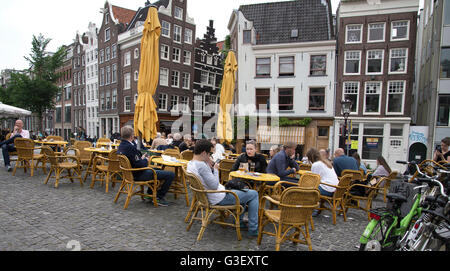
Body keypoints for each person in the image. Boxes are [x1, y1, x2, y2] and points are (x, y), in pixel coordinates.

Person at [186, 139, 259, 237]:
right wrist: (215, 170)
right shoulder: (201, 166)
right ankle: (253, 229)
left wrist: (208, 165)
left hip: (211, 196)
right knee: (254, 194)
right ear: (204, 152)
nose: (210, 156)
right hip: (220, 198)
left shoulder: (191, 163)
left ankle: (241, 222)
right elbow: (214, 185)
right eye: (210, 154)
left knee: (245, 192)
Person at [117, 126, 174, 207]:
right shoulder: (130, 147)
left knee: (157, 170)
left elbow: (134, 160)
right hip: (138, 174)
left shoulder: (121, 146)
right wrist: (146, 160)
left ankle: (150, 193)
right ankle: (159, 197)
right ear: (131, 136)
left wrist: (141, 158)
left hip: (130, 173)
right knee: (170, 175)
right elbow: (139, 164)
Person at [307, 148, 339, 217]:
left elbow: (314, 180)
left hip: (327, 188)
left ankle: (312, 209)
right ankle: (315, 208)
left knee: (307, 190)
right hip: (335, 188)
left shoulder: (316, 164)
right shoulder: (326, 162)